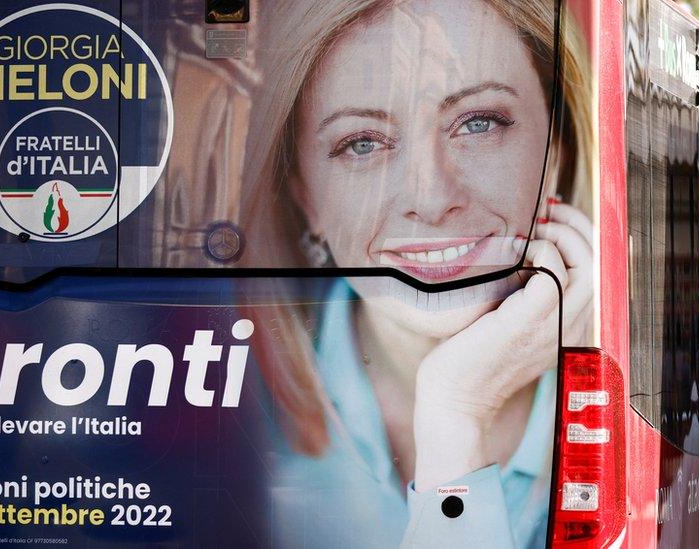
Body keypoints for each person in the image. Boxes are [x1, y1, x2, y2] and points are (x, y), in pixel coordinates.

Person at [238, 1, 596, 546]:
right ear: (304, 196)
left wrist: (456, 406)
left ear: (557, 157)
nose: (430, 199)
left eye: (478, 124)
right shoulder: (222, 401)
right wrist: (461, 410)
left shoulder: (649, 399)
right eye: (362, 142)